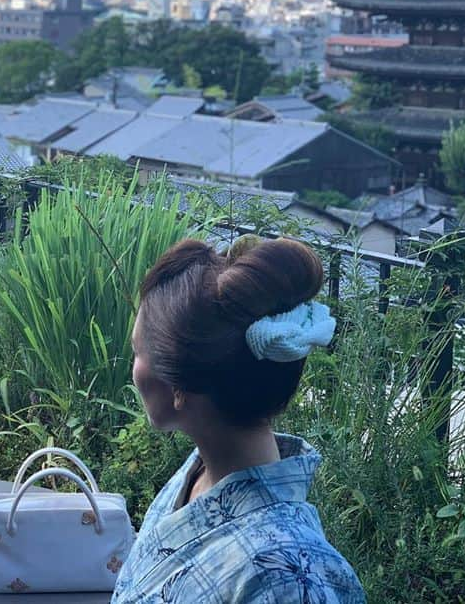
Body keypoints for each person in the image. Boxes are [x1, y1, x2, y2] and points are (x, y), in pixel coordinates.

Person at [112, 236, 365, 603]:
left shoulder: (292, 577)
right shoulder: (199, 475)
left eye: (138, 352)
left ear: (179, 386)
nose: (133, 369)